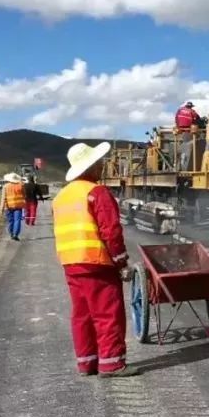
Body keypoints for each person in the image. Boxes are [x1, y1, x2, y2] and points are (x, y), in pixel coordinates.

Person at [53, 142, 139, 378]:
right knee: (107, 314)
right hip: (96, 263)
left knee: (82, 314)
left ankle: (86, 362)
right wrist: (121, 263)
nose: (102, 166)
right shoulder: (97, 192)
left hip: (71, 263)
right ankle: (112, 364)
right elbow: (111, 231)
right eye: (99, 162)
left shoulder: (62, 196)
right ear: (90, 167)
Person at [175, 101, 201, 171]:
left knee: (182, 145)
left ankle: (178, 164)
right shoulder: (193, 112)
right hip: (189, 130)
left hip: (180, 130)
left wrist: (178, 127)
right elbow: (197, 120)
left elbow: (176, 119)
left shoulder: (179, 110)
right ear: (191, 106)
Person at [1, 172, 26, 241]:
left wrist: (1, 208)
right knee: (17, 220)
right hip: (18, 206)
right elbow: (24, 195)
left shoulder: (5, 186)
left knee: (10, 221)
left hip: (8, 206)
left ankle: (11, 233)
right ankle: (16, 234)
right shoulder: (21, 185)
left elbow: (3, 198)